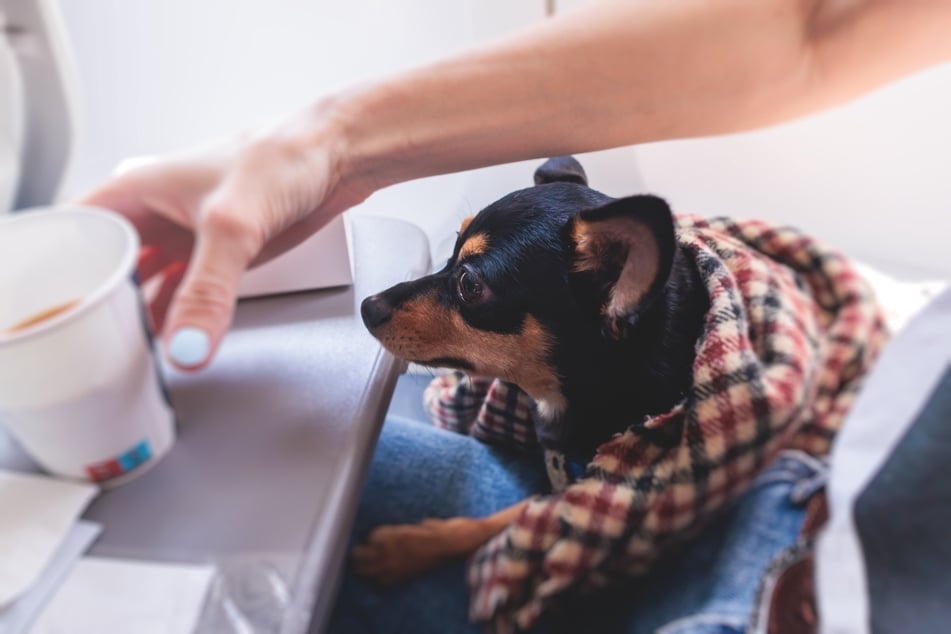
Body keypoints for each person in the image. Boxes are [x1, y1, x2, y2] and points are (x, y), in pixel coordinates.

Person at [78, 1, 951, 632]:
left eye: (470, 289)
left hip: (770, 552)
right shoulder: (629, 301)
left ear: (617, 281)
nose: (393, 308)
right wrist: (323, 144)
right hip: (863, 482)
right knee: (248, 450)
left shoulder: (697, 388)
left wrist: (466, 537)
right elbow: (807, 26)